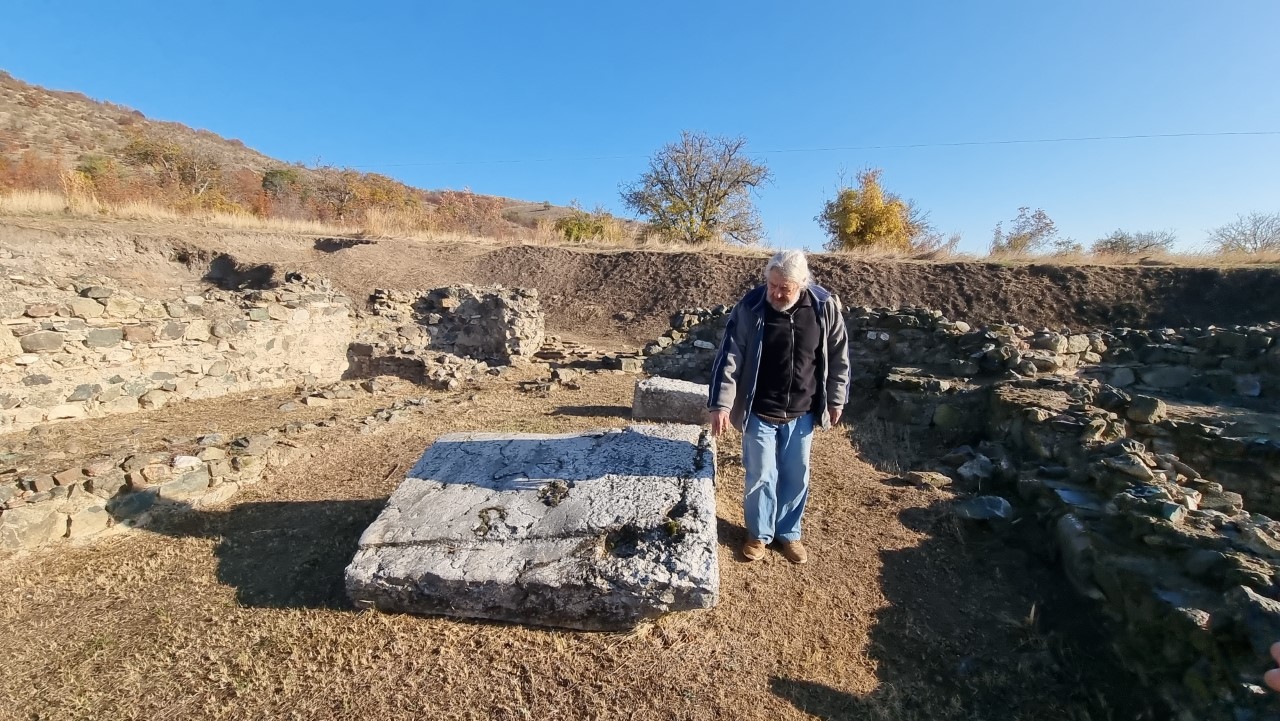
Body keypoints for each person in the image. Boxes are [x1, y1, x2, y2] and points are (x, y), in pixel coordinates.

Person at [707, 249, 850, 564]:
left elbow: (839, 358)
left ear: (802, 284)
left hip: (802, 412)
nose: (776, 292)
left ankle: (789, 534)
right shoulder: (751, 306)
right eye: (772, 285)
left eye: (784, 287)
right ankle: (758, 534)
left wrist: (836, 398)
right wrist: (721, 404)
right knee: (761, 474)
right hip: (759, 410)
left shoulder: (824, 307)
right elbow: (730, 355)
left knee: (796, 475)